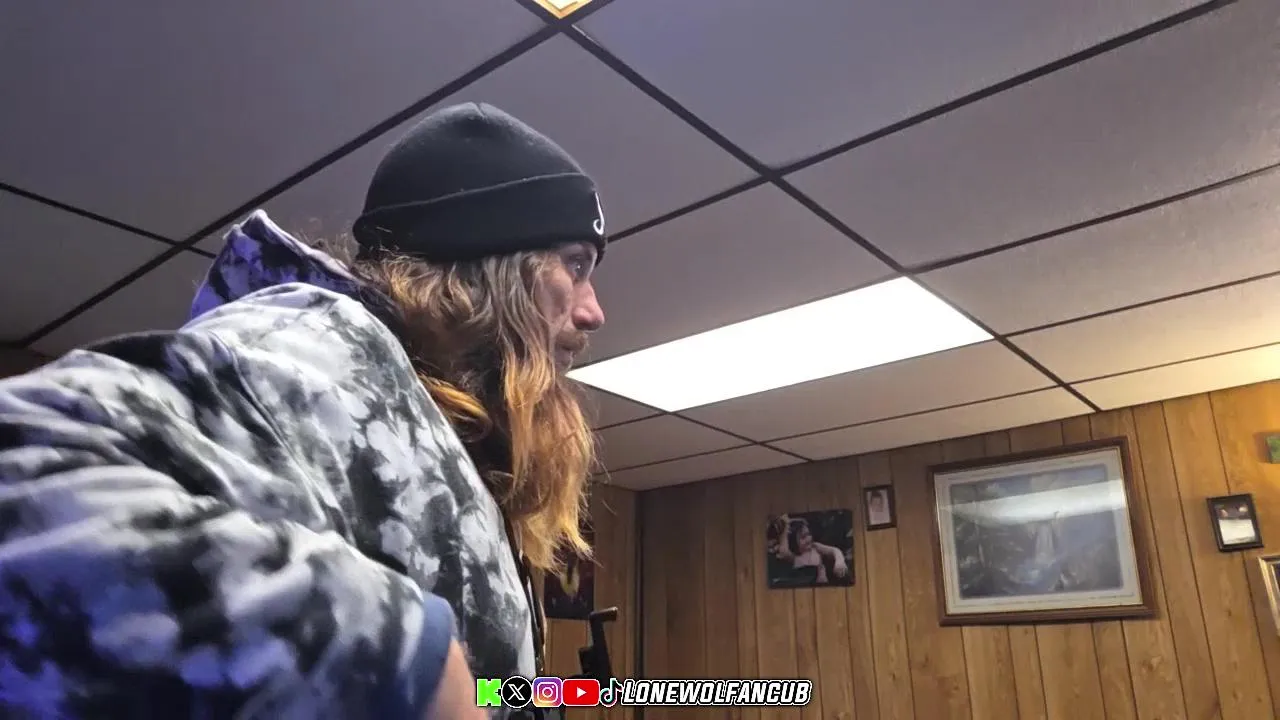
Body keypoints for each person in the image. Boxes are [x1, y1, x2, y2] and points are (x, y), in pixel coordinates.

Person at [0, 102, 606, 719]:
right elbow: (22, 471)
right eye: (576, 265)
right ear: (489, 261)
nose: (593, 311)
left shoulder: (426, 423)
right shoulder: (325, 346)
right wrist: (398, 657)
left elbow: (476, 688)